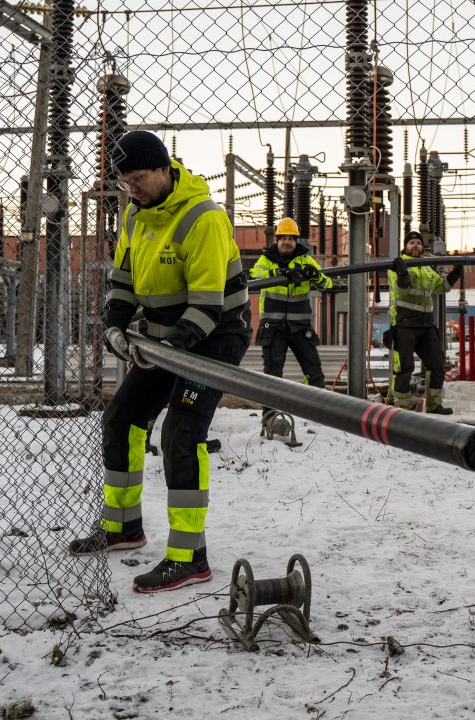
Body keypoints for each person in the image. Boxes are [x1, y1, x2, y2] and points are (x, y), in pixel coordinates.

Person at [68, 130, 251, 594]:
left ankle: (190, 557)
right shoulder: (135, 214)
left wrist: (170, 347)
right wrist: (114, 324)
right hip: (164, 337)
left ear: (166, 169)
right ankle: (123, 527)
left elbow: (208, 306)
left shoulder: (203, 218)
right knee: (122, 419)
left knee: (181, 432)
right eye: (126, 182)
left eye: (140, 178)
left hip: (213, 337)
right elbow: (124, 278)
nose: (133, 189)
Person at [249, 218, 333, 425]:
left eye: (291, 239)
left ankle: (320, 415)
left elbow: (327, 284)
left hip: (299, 327)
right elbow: (255, 276)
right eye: (283, 238)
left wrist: (316, 276)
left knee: (314, 371)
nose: (287, 242)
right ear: (276, 240)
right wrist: (279, 273)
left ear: (296, 241)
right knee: (272, 375)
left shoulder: (305, 261)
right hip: (274, 327)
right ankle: (270, 417)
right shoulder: (267, 260)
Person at [388, 231, 463, 414]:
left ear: (423, 247)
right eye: (412, 242)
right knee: (405, 368)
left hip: (426, 325)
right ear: (406, 246)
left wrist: (456, 272)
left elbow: (442, 287)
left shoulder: (427, 268)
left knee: (437, 365)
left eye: (418, 243)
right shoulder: (396, 266)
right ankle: (402, 408)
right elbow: (402, 290)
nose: (416, 246)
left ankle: (434, 405)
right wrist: (403, 272)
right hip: (405, 324)